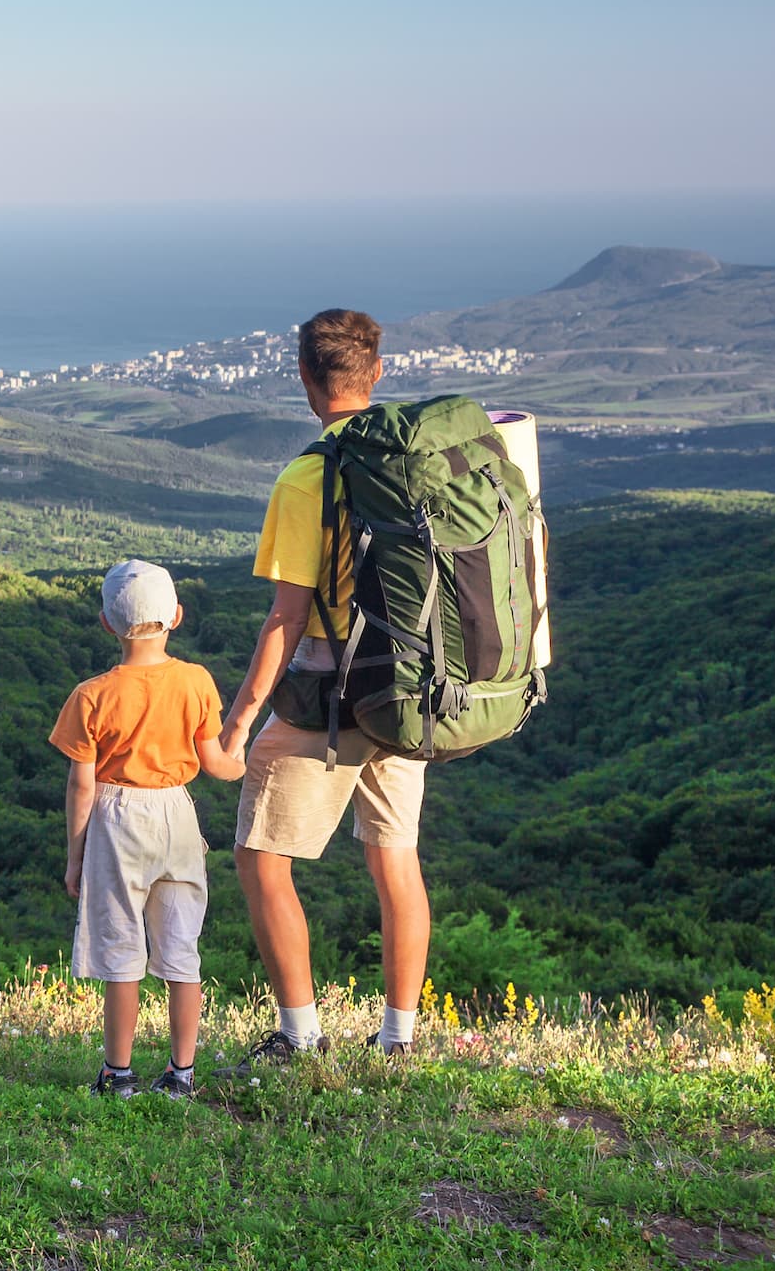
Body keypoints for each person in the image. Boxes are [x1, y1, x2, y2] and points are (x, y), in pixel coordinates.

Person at [220, 307, 431, 1060]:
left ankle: (299, 1038)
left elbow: (286, 618)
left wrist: (239, 725)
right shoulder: (414, 463)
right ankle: (399, 1040)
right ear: (378, 373)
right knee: (394, 858)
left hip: (331, 702)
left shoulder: (310, 476)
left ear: (306, 377)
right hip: (410, 690)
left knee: (260, 858)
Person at [54, 558, 245, 1097]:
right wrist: (245, 757)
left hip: (117, 817)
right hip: (177, 815)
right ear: (176, 617)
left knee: (120, 950)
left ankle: (118, 1074)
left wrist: (75, 857)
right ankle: (181, 1074)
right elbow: (218, 765)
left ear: (106, 624)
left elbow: (80, 787)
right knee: (181, 948)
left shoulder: (91, 695)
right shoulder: (196, 681)